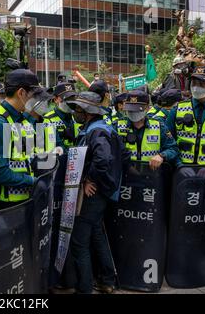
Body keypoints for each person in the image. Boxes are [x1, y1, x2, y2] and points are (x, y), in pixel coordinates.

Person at [66, 91, 130, 294]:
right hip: (103, 192)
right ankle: (107, 281)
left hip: (94, 194)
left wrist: (89, 179)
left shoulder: (98, 131)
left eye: (78, 109)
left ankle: (84, 288)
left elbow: (103, 160)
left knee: (79, 242)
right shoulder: (98, 128)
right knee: (97, 235)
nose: (75, 112)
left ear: (87, 112)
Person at [0, 69, 40, 209]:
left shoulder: (19, 119)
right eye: (34, 95)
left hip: (23, 200)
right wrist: (32, 181)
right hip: (7, 207)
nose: (36, 101)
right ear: (21, 93)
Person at [166, 66, 205, 165]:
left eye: (202, 83)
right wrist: (179, 164)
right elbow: (167, 142)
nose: (196, 86)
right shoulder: (177, 109)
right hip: (181, 171)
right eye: (194, 82)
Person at [115, 90, 179, 169]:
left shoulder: (158, 126)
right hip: (125, 177)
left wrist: (162, 156)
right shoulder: (117, 126)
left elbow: (173, 148)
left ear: (147, 108)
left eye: (138, 109)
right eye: (130, 109)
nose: (133, 112)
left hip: (151, 176)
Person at [43, 82, 81, 152]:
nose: (69, 101)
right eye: (65, 98)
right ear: (55, 99)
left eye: (72, 97)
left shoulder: (78, 117)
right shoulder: (48, 119)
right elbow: (53, 147)